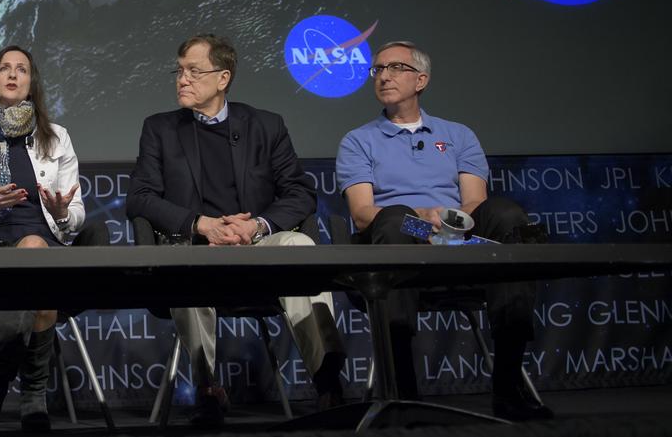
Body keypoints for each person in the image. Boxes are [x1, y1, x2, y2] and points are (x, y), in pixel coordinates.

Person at [126, 34, 346, 425]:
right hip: (195, 246)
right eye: (178, 71)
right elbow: (140, 198)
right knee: (182, 266)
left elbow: (300, 193)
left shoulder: (265, 125)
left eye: (194, 71)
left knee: (298, 244)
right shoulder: (159, 129)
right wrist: (202, 225)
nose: (182, 79)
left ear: (223, 78)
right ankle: (207, 389)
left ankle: (328, 383)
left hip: (258, 245)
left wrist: (257, 225)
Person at [335, 40, 552, 421]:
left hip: (455, 240)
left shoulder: (458, 135)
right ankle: (403, 392)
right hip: (396, 245)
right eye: (378, 69)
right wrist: (421, 217)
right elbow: (363, 214)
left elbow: (474, 202)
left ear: (421, 80)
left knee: (506, 215)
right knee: (393, 218)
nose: (384, 76)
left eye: (395, 68)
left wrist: (446, 220)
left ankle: (508, 387)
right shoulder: (359, 140)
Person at [0, 45, 110, 435]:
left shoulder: (57, 138)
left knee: (36, 255)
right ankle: (33, 396)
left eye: (22, 69)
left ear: (31, 83)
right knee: (37, 282)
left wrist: (62, 212)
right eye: (5, 69)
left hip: (49, 248)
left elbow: (76, 214)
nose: (13, 75)